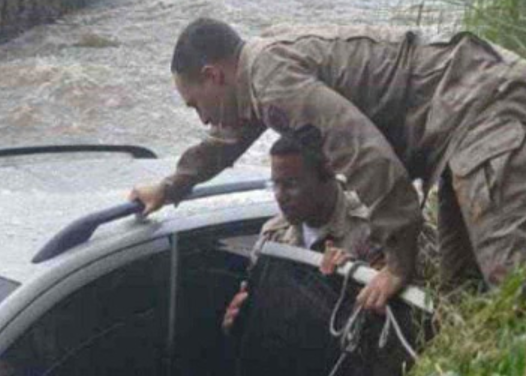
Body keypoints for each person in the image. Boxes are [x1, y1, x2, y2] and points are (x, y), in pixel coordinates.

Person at [132, 18, 526, 313]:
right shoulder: (259, 76)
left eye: (195, 104)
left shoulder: (272, 82)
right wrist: (168, 189)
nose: (201, 118)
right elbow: (225, 142)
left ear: (213, 75)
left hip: (482, 105)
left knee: (511, 282)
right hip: (457, 123)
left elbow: (369, 160)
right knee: (464, 299)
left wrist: (397, 265)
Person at [222, 131, 382, 333]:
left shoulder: (372, 230)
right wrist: (237, 323)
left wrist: (346, 282)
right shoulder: (273, 236)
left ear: (326, 175)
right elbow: (260, 318)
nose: (280, 196)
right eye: (275, 184)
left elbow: (385, 330)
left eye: (290, 184)